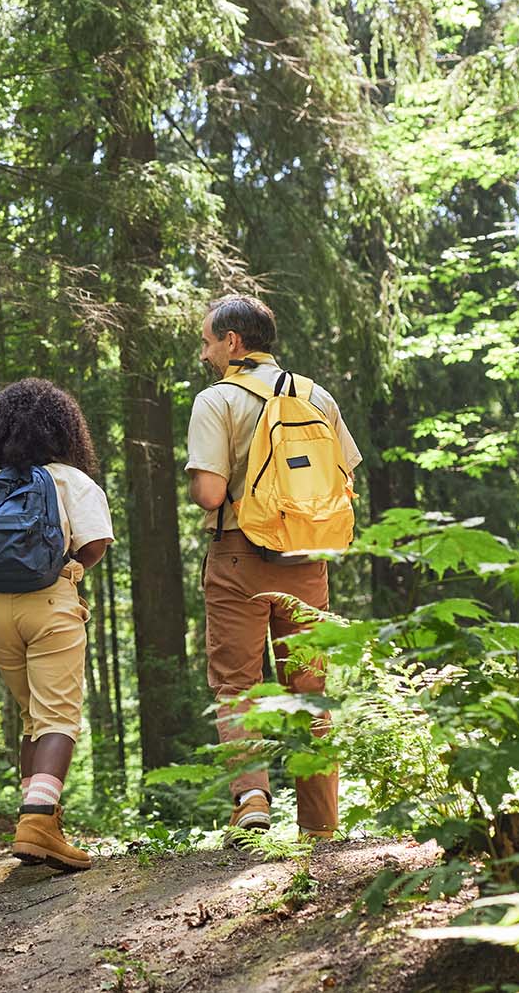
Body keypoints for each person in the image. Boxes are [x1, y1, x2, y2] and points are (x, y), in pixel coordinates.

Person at [185, 293, 362, 842]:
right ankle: (320, 826)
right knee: (309, 687)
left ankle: (253, 800)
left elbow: (211, 494)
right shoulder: (316, 396)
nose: (205, 352)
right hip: (308, 560)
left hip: (239, 556)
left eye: (208, 341)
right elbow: (345, 476)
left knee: (238, 684)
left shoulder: (217, 401)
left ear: (233, 342)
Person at [0, 380, 113, 871]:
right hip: (51, 601)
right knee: (59, 717)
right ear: (64, 429)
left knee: (31, 717)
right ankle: (38, 818)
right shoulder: (71, 481)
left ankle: (43, 825)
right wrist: (65, 566)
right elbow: (96, 545)